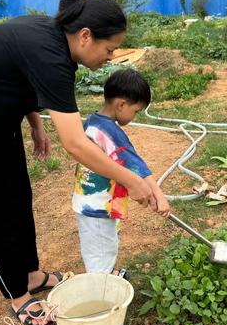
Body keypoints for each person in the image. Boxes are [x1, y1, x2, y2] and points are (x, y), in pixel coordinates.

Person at [0, 0, 155, 325]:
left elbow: (20, 78)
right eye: (110, 48)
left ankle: (32, 275)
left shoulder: (59, 48)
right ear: (85, 36)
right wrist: (132, 181)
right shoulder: (52, 55)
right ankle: (17, 296)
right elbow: (77, 144)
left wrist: (35, 125)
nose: (112, 57)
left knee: (17, 195)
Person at [72, 69, 170, 278]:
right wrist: (159, 196)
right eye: (135, 111)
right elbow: (137, 167)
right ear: (121, 105)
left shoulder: (92, 121)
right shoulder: (112, 133)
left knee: (102, 244)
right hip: (98, 207)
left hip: (89, 200)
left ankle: (107, 274)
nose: (134, 118)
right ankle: (102, 293)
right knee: (101, 252)